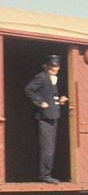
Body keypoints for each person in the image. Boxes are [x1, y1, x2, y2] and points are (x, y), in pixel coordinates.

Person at [24, 55, 68, 184]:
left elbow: (52, 96)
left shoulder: (53, 79)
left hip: (53, 115)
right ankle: (44, 174)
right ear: (47, 66)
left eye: (57, 66)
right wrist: (40, 102)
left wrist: (60, 101)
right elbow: (28, 90)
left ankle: (46, 173)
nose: (55, 68)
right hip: (45, 117)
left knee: (50, 147)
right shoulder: (42, 77)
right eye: (53, 66)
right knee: (47, 147)